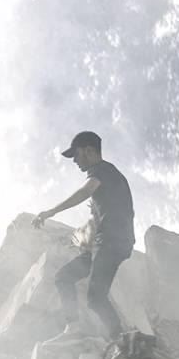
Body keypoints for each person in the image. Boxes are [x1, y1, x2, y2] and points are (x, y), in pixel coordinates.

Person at [32, 131, 134, 342]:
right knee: (63, 277)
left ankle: (124, 341)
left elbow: (84, 191)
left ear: (89, 150)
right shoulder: (110, 177)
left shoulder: (101, 170)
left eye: (76, 155)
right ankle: (73, 327)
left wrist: (50, 212)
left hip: (111, 243)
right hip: (104, 244)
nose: (75, 161)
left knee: (96, 298)